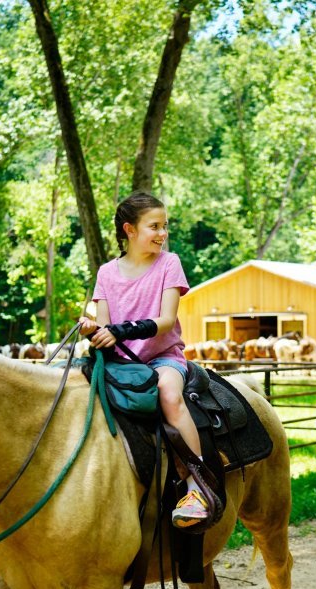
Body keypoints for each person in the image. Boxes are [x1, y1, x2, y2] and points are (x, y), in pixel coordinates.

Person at [79, 191, 210, 528]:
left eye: (164, 226)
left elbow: (166, 321)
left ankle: (198, 487)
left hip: (163, 358)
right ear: (130, 230)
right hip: (121, 362)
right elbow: (107, 326)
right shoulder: (107, 273)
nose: (162, 233)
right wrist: (94, 329)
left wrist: (120, 330)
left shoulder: (170, 263)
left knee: (168, 395)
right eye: (155, 226)